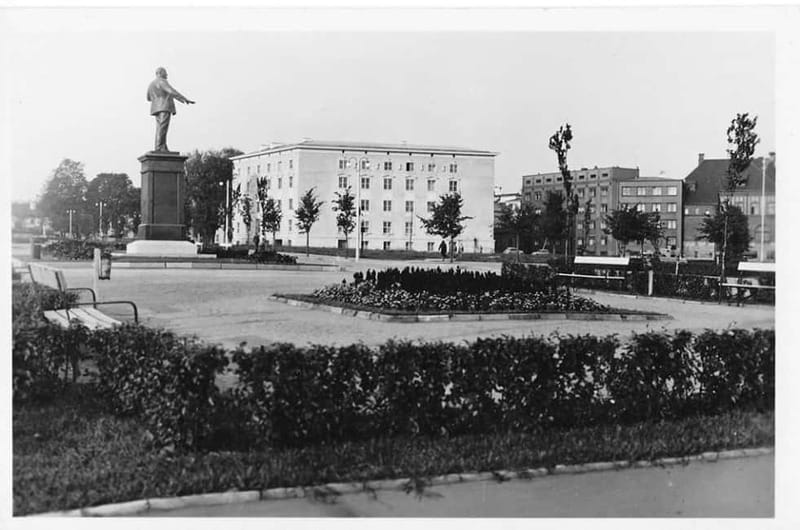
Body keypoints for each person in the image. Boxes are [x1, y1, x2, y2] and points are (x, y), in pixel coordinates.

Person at [147, 67, 195, 152]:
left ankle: (162, 146)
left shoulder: (151, 84)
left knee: (160, 128)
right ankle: (159, 147)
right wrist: (184, 99)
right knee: (163, 128)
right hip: (164, 106)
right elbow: (171, 91)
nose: (167, 75)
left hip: (156, 108)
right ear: (160, 73)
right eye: (165, 73)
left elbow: (148, 98)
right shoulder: (162, 81)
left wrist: (156, 98)